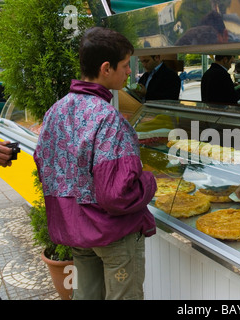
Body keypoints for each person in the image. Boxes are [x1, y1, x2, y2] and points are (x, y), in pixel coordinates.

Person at [33, 27, 157, 300]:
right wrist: (149, 182)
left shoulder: (55, 111)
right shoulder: (107, 118)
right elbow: (117, 196)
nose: (129, 72)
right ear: (106, 68)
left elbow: (46, 168)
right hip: (113, 235)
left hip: (76, 230)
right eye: (125, 65)